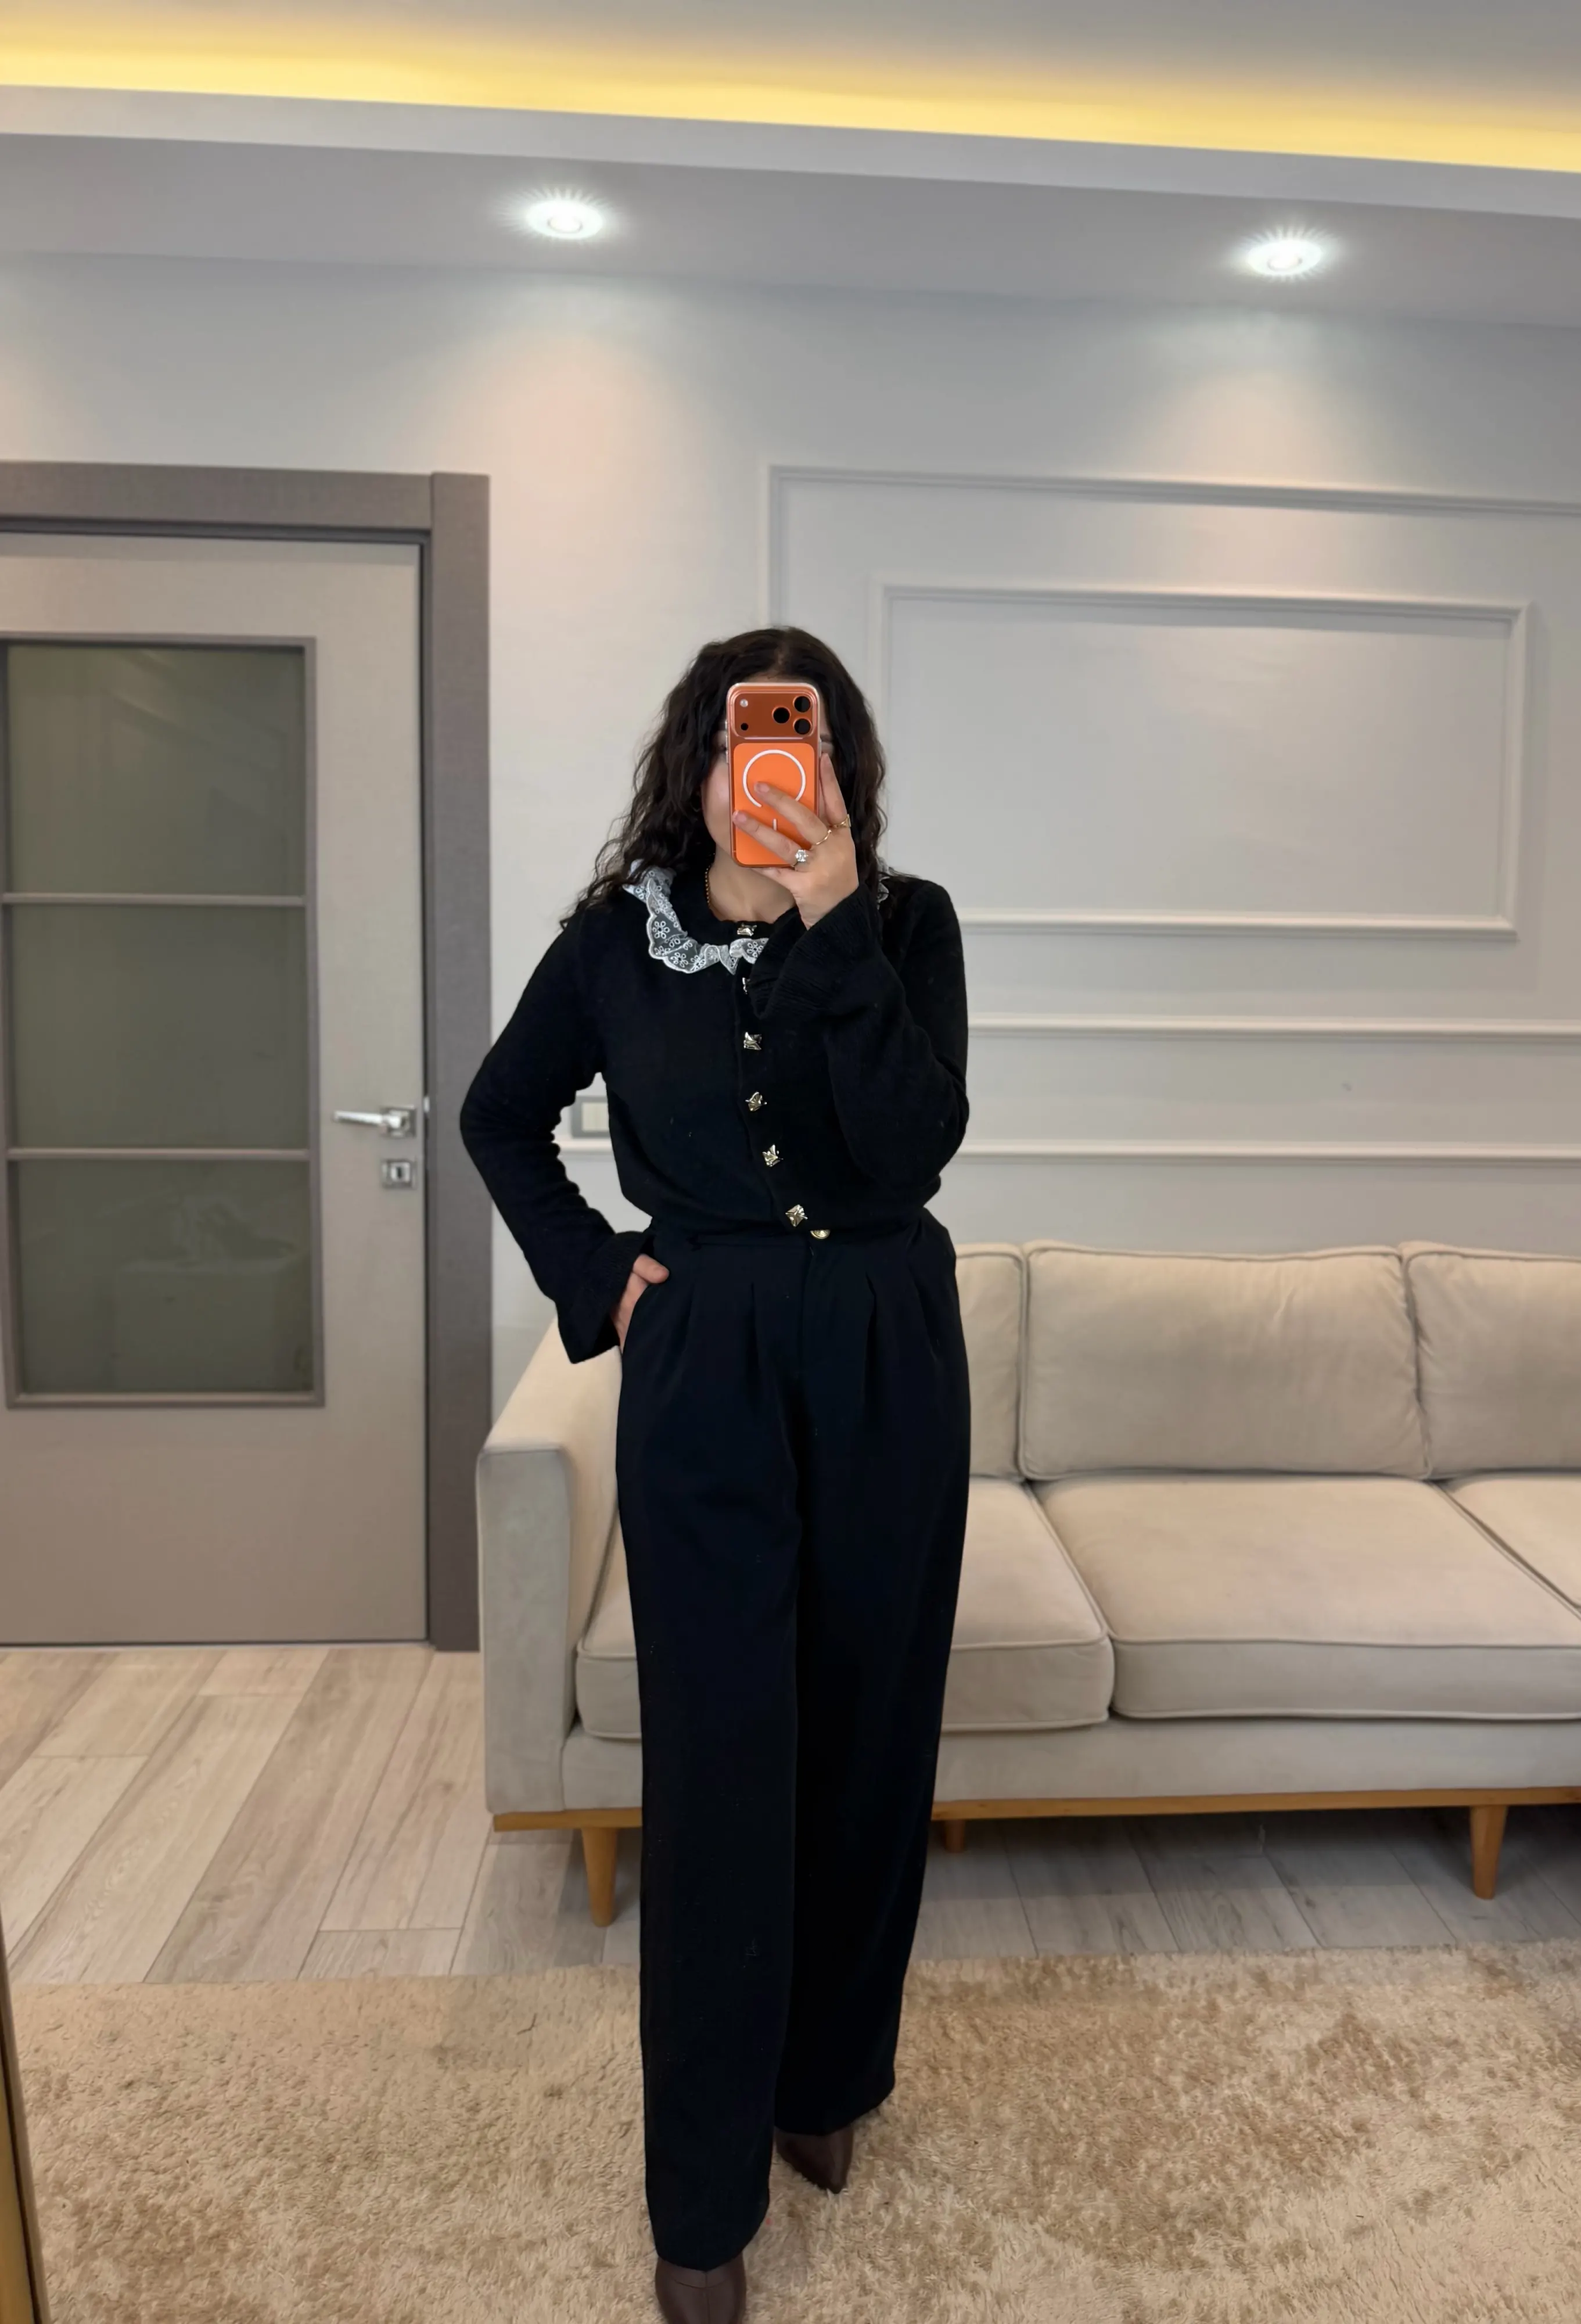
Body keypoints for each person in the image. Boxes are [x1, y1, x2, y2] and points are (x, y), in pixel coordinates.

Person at [459, 626, 973, 2324]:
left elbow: (912, 1144)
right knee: (720, 1764)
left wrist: (833, 921)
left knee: (870, 1735)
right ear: (696, 762)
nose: (768, 771)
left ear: (839, 772)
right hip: (708, 1371)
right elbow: (498, 1115)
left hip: (889, 1352)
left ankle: (825, 2085)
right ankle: (699, 2201)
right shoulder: (618, 942)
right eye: (745, 741)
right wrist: (597, 1274)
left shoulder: (905, 924)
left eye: (800, 744)